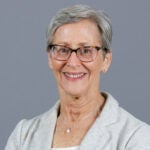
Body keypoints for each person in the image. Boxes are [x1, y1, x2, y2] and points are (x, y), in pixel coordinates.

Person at [5, 4, 150, 150]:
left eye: (86, 51)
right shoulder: (23, 135)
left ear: (106, 60)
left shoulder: (135, 136)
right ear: (50, 58)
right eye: (62, 50)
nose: (73, 63)